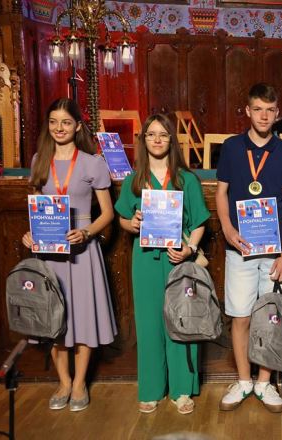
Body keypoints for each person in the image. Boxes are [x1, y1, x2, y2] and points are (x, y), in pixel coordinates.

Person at [23, 98, 117, 411]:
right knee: (54, 319)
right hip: (49, 253)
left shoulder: (93, 163)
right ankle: (63, 381)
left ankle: (79, 384)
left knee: (82, 316)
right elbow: (36, 209)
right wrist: (31, 234)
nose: (59, 128)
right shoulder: (39, 160)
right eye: (53, 122)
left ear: (77, 126)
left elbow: (108, 213)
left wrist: (87, 232)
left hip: (81, 252)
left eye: (65, 122)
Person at [115, 114, 210, 415]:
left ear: (172, 140)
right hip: (145, 259)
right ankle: (152, 388)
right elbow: (122, 219)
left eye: (163, 134)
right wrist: (131, 223)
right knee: (149, 324)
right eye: (151, 134)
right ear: (143, 140)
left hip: (177, 258)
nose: (157, 140)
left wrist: (190, 248)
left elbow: (199, 222)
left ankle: (181, 389)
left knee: (182, 320)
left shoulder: (186, 179)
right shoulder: (133, 180)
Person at [216, 83, 282, 413]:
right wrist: (227, 227)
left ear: (277, 114)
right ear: (248, 111)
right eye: (258, 109)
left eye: (270, 110)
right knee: (241, 317)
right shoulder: (232, 147)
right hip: (241, 249)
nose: (264, 116)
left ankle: (264, 382)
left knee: (272, 317)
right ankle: (244, 380)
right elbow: (221, 193)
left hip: (275, 251)